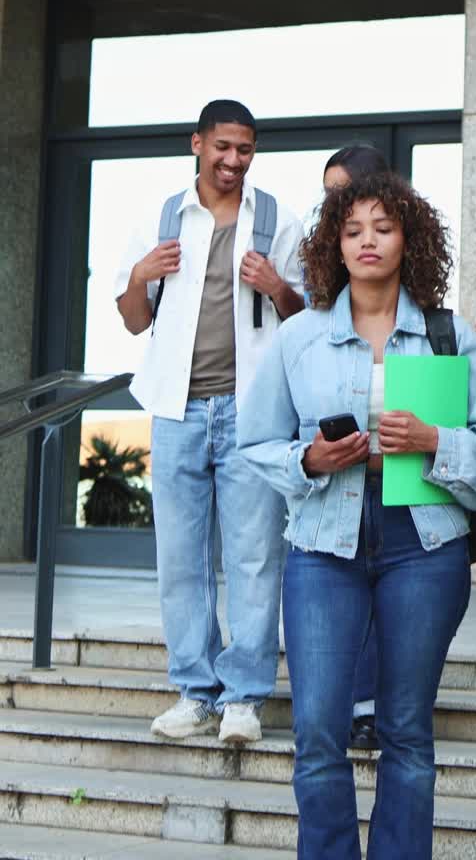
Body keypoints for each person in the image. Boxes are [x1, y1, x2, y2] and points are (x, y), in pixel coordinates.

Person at [237, 172, 476, 860]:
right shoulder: (299, 339)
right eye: (353, 231)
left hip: (424, 543)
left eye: (383, 228)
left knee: (406, 730)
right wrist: (310, 461)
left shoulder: (451, 336)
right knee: (319, 730)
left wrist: (436, 443)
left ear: (408, 238)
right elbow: (254, 443)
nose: (368, 242)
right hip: (323, 544)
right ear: (334, 246)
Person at [115, 98, 305, 743]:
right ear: (197, 144)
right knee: (181, 561)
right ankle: (195, 693)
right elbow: (135, 318)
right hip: (177, 409)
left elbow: (304, 317)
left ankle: (244, 699)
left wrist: (277, 286)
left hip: (252, 414)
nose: (232, 160)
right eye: (222, 146)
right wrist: (141, 275)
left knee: (254, 556)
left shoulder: (277, 218)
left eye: (244, 149)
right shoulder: (165, 215)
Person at [321, 144, 390, 750]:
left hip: (398, 483)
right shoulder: (318, 308)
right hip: (331, 481)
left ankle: (371, 705)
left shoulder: (416, 304)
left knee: (384, 604)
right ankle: (345, 701)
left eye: (340, 190)